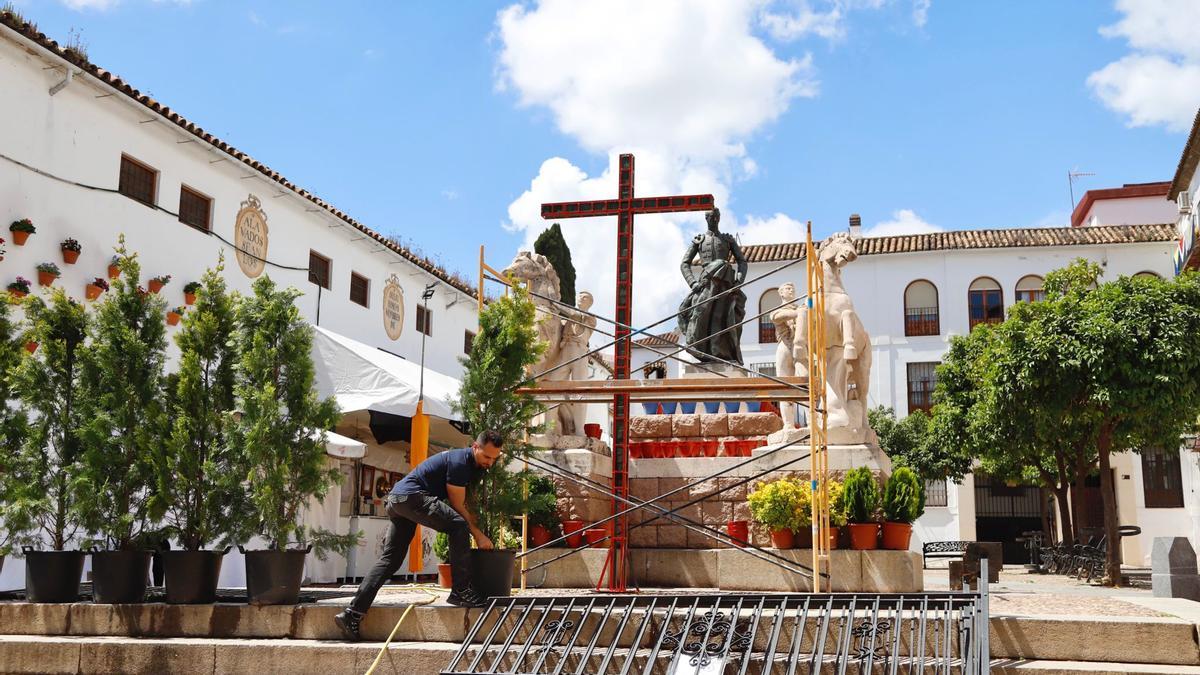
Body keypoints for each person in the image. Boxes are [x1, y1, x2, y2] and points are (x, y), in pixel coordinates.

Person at [333, 430, 504, 641]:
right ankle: (461, 591)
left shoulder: (469, 465)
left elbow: (466, 503)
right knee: (458, 526)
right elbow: (458, 506)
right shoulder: (460, 462)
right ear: (475, 447)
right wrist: (478, 535)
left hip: (397, 500)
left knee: (391, 560)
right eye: (487, 456)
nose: (490, 462)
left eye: (494, 458)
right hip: (412, 497)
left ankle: (352, 614)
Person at [677, 207, 749, 364]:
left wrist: (739, 279)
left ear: (719, 218)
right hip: (706, 284)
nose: (713, 220)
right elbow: (684, 264)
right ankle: (699, 347)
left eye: (715, 217)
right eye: (710, 217)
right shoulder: (699, 240)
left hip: (726, 284)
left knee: (722, 317)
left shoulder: (728, 240)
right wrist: (693, 283)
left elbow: (742, 261)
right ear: (706, 219)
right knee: (700, 313)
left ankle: (720, 351)